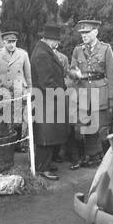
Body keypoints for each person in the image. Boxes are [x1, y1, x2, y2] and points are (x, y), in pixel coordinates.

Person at [68, 19, 113, 170]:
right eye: (82, 33)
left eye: (87, 32)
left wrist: (112, 98)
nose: (84, 35)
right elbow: (71, 70)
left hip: (100, 93)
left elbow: (112, 75)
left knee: (102, 129)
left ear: (95, 32)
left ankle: (108, 160)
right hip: (82, 92)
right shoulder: (78, 50)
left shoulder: (105, 49)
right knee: (81, 128)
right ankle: (85, 158)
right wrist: (75, 73)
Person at [30, 24, 68, 180]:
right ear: (48, 39)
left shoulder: (43, 51)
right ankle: (42, 168)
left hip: (47, 99)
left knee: (49, 133)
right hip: (46, 99)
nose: (56, 44)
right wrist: (61, 93)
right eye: (55, 40)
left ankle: (45, 163)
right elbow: (47, 82)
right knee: (45, 134)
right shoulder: (42, 54)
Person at [0, 31, 32, 152]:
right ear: (4, 42)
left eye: (13, 42)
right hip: (3, 91)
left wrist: (29, 89)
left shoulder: (23, 54)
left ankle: (17, 144)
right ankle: (4, 144)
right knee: (3, 117)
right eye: (9, 42)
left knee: (17, 119)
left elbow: (28, 75)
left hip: (19, 90)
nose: (11, 45)